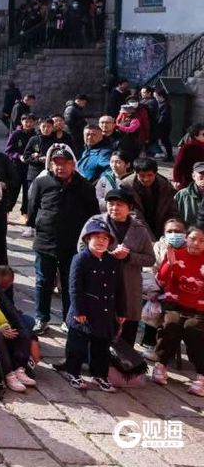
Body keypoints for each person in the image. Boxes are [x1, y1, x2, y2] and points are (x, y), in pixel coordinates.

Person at [29, 145, 100, 334]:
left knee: (71, 282)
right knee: (43, 281)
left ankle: (69, 319)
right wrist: (37, 225)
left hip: (72, 243)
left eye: (64, 163)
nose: (60, 167)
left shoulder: (84, 186)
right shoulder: (42, 182)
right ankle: (41, 318)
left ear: (73, 164)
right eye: (56, 163)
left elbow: (92, 214)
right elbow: (32, 207)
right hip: (45, 241)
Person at [55, 220, 124, 392]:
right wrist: (78, 310)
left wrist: (121, 310)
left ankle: (100, 374)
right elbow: (74, 287)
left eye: (105, 238)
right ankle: (73, 372)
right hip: (84, 311)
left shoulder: (112, 261)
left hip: (105, 311)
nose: (101, 241)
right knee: (77, 345)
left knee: (102, 346)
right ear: (87, 239)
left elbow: (119, 287)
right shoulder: (80, 259)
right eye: (96, 237)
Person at [79, 189, 154, 346]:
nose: (114, 208)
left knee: (127, 330)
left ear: (130, 207)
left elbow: (150, 259)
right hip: (100, 281)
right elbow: (81, 247)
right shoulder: (96, 222)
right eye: (111, 204)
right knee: (96, 329)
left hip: (128, 285)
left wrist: (128, 256)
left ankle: (125, 358)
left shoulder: (140, 230)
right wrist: (106, 255)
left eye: (119, 204)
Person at [150, 225, 204, 393]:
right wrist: (170, 264)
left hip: (200, 308)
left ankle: (201, 375)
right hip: (175, 303)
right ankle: (161, 365)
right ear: (186, 238)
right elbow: (161, 280)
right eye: (193, 239)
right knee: (171, 324)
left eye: (202, 241)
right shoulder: (176, 255)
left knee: (192, 328)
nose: (196, 243)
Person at [121, 157, 177, 237]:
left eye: (150, 175)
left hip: (160, 224)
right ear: (135, 173)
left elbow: (171, 211)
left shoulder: (165, 186)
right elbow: (134, 215)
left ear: (155, 173)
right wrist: (150, 239)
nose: (146, 179)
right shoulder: (126, 187)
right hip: (136, 227)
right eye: (142, 176)